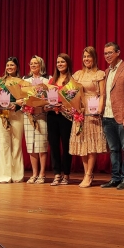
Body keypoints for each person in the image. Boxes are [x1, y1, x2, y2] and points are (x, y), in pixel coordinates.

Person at [101, 42, 124, 190]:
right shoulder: (106, 72)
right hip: (107, 116)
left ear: (118, 52)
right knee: (114, 149)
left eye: (110, 52)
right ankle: (115, 178)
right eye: (105, 53)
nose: (108, 56)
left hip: (122, 117)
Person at [69, 47, 107, 188]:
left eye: (89, 56)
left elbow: (103, 94)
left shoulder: (99, 74)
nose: (86, 59)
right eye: (84, 56)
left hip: (93, 111)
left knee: (91, 144)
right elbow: (71, 93)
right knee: (82, 143)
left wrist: (99, 110)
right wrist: (73, 107)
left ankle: (89, 174)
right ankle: (87, 174)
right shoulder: (77, 75)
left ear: (94, 58)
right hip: (80, 112)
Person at [0, 57, 24, 183]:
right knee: (4, 144)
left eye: (12, 65)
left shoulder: (21, 81)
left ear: (17, 67)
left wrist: (17, 103)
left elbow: (25, 98)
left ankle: (17, 175)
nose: (9, 67)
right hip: (2, 115)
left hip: (16, 114)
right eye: (7, 65)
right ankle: (4, 176)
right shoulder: (0, 82)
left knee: (17, 144)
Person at [47, 53, 74, 186]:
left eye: (62, 62)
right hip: (52, 115)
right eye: (58, 62)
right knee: (54, 145)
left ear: (67, 63)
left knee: (66, 145)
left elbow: (74, 99)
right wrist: (47, 105)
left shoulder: (72, 80)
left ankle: (66, 174)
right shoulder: (51, 81)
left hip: (66, 116)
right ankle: (57, 174)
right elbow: (44, 99)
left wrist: (65, 106)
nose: (60, 64)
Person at [23, 55, 50, 184]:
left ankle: (42, 173)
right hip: (28, 116)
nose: (33, 65)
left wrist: (42, 102)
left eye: (36, 63)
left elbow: (50, 98)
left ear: (41, 65)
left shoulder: (47, 80)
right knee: (31, 146)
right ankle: (34, 174)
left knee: (41, 145)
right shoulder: (24, 80)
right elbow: (21, 96)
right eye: (31, 63)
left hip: (41, 114)